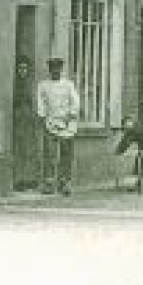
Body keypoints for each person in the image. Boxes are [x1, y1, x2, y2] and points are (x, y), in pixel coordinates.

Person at [36, 56, 80, 195]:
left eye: (57, 69)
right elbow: (41, 102)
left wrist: (70, 115)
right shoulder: (43, 85)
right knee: (49, 154)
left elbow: (75, 102)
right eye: (52, 69)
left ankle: (65, 182)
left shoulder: (68, 85)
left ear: (61, 70)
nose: (55, 72)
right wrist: (43, 117)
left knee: (66, 154)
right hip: (51, 122)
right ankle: (49, 182)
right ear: (49, 70)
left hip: (67, 123)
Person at [113, 114, 143, 194]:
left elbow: (126, 142)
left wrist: (119, 150)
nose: (126, 126)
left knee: (142, 162)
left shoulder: (133, 129)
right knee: (142, 162)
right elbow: (127, 140)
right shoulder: (137, 126)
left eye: (127, 124)